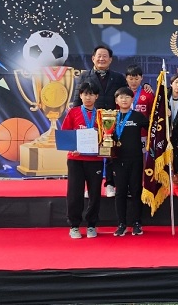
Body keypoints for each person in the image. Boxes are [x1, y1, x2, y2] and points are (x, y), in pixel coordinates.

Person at [72, 45, 127, 198]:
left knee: (110, 153)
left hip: (111, 121)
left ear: (110, 59)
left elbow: (125, 96)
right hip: (90, 119)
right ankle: (90, 186)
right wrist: (76, 115)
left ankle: (110, 184)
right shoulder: (84, 76)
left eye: (105, 56)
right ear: (93, 58)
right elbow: (78, 97)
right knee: (89, 153)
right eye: (99, 56)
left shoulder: (118, 77)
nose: (101, 59)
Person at [61, 82, 103, 239]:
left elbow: (107, 136)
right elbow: (65, 134)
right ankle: (74, 225)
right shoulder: (73, 112)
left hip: (95, 159)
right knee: (74, 192)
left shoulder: (102, 115)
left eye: (92, 94)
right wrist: (73, 147)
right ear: (80, 95)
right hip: (76, 159)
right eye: (85, 94)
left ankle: (92, 225)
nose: (88, 97)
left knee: (94, 193)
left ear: (96, 96)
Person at [111, 87, 149, 236]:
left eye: (127, 97)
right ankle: (121, 223)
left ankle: (137, 223)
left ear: (132, 99)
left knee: (135, 191)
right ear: (116, 101)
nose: (124, 100)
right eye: (121, 97)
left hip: (136, 159)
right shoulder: (111, 117)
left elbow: (153, 129)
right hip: (118, 160)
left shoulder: (138, 116)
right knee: (120, 192)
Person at [125, 64, 154, 149]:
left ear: (142, 78)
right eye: (131, 79)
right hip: (125, 131)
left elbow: (152, 113)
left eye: (136, 79)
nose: (133, 82)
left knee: (143, 157)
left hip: (143, 132)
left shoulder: (148, 94)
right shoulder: (122, 94)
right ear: (126, 78)